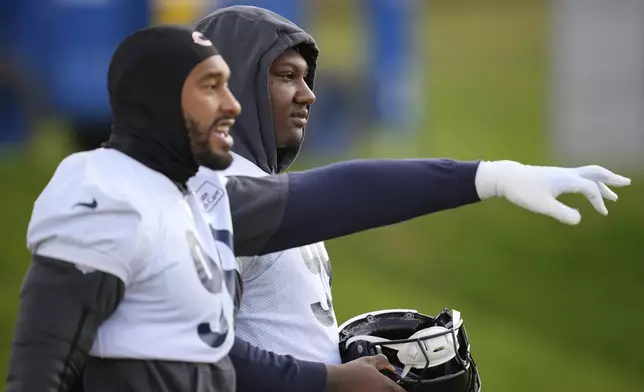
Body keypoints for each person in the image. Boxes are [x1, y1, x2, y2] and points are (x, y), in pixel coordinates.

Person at [190, 5, 633, 391]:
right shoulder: (207, 190)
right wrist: (331, 381)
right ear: (232, 84)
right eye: (287, 76)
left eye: (307, 78)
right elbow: (200, 352)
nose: (309, 95)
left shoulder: (256, 185)